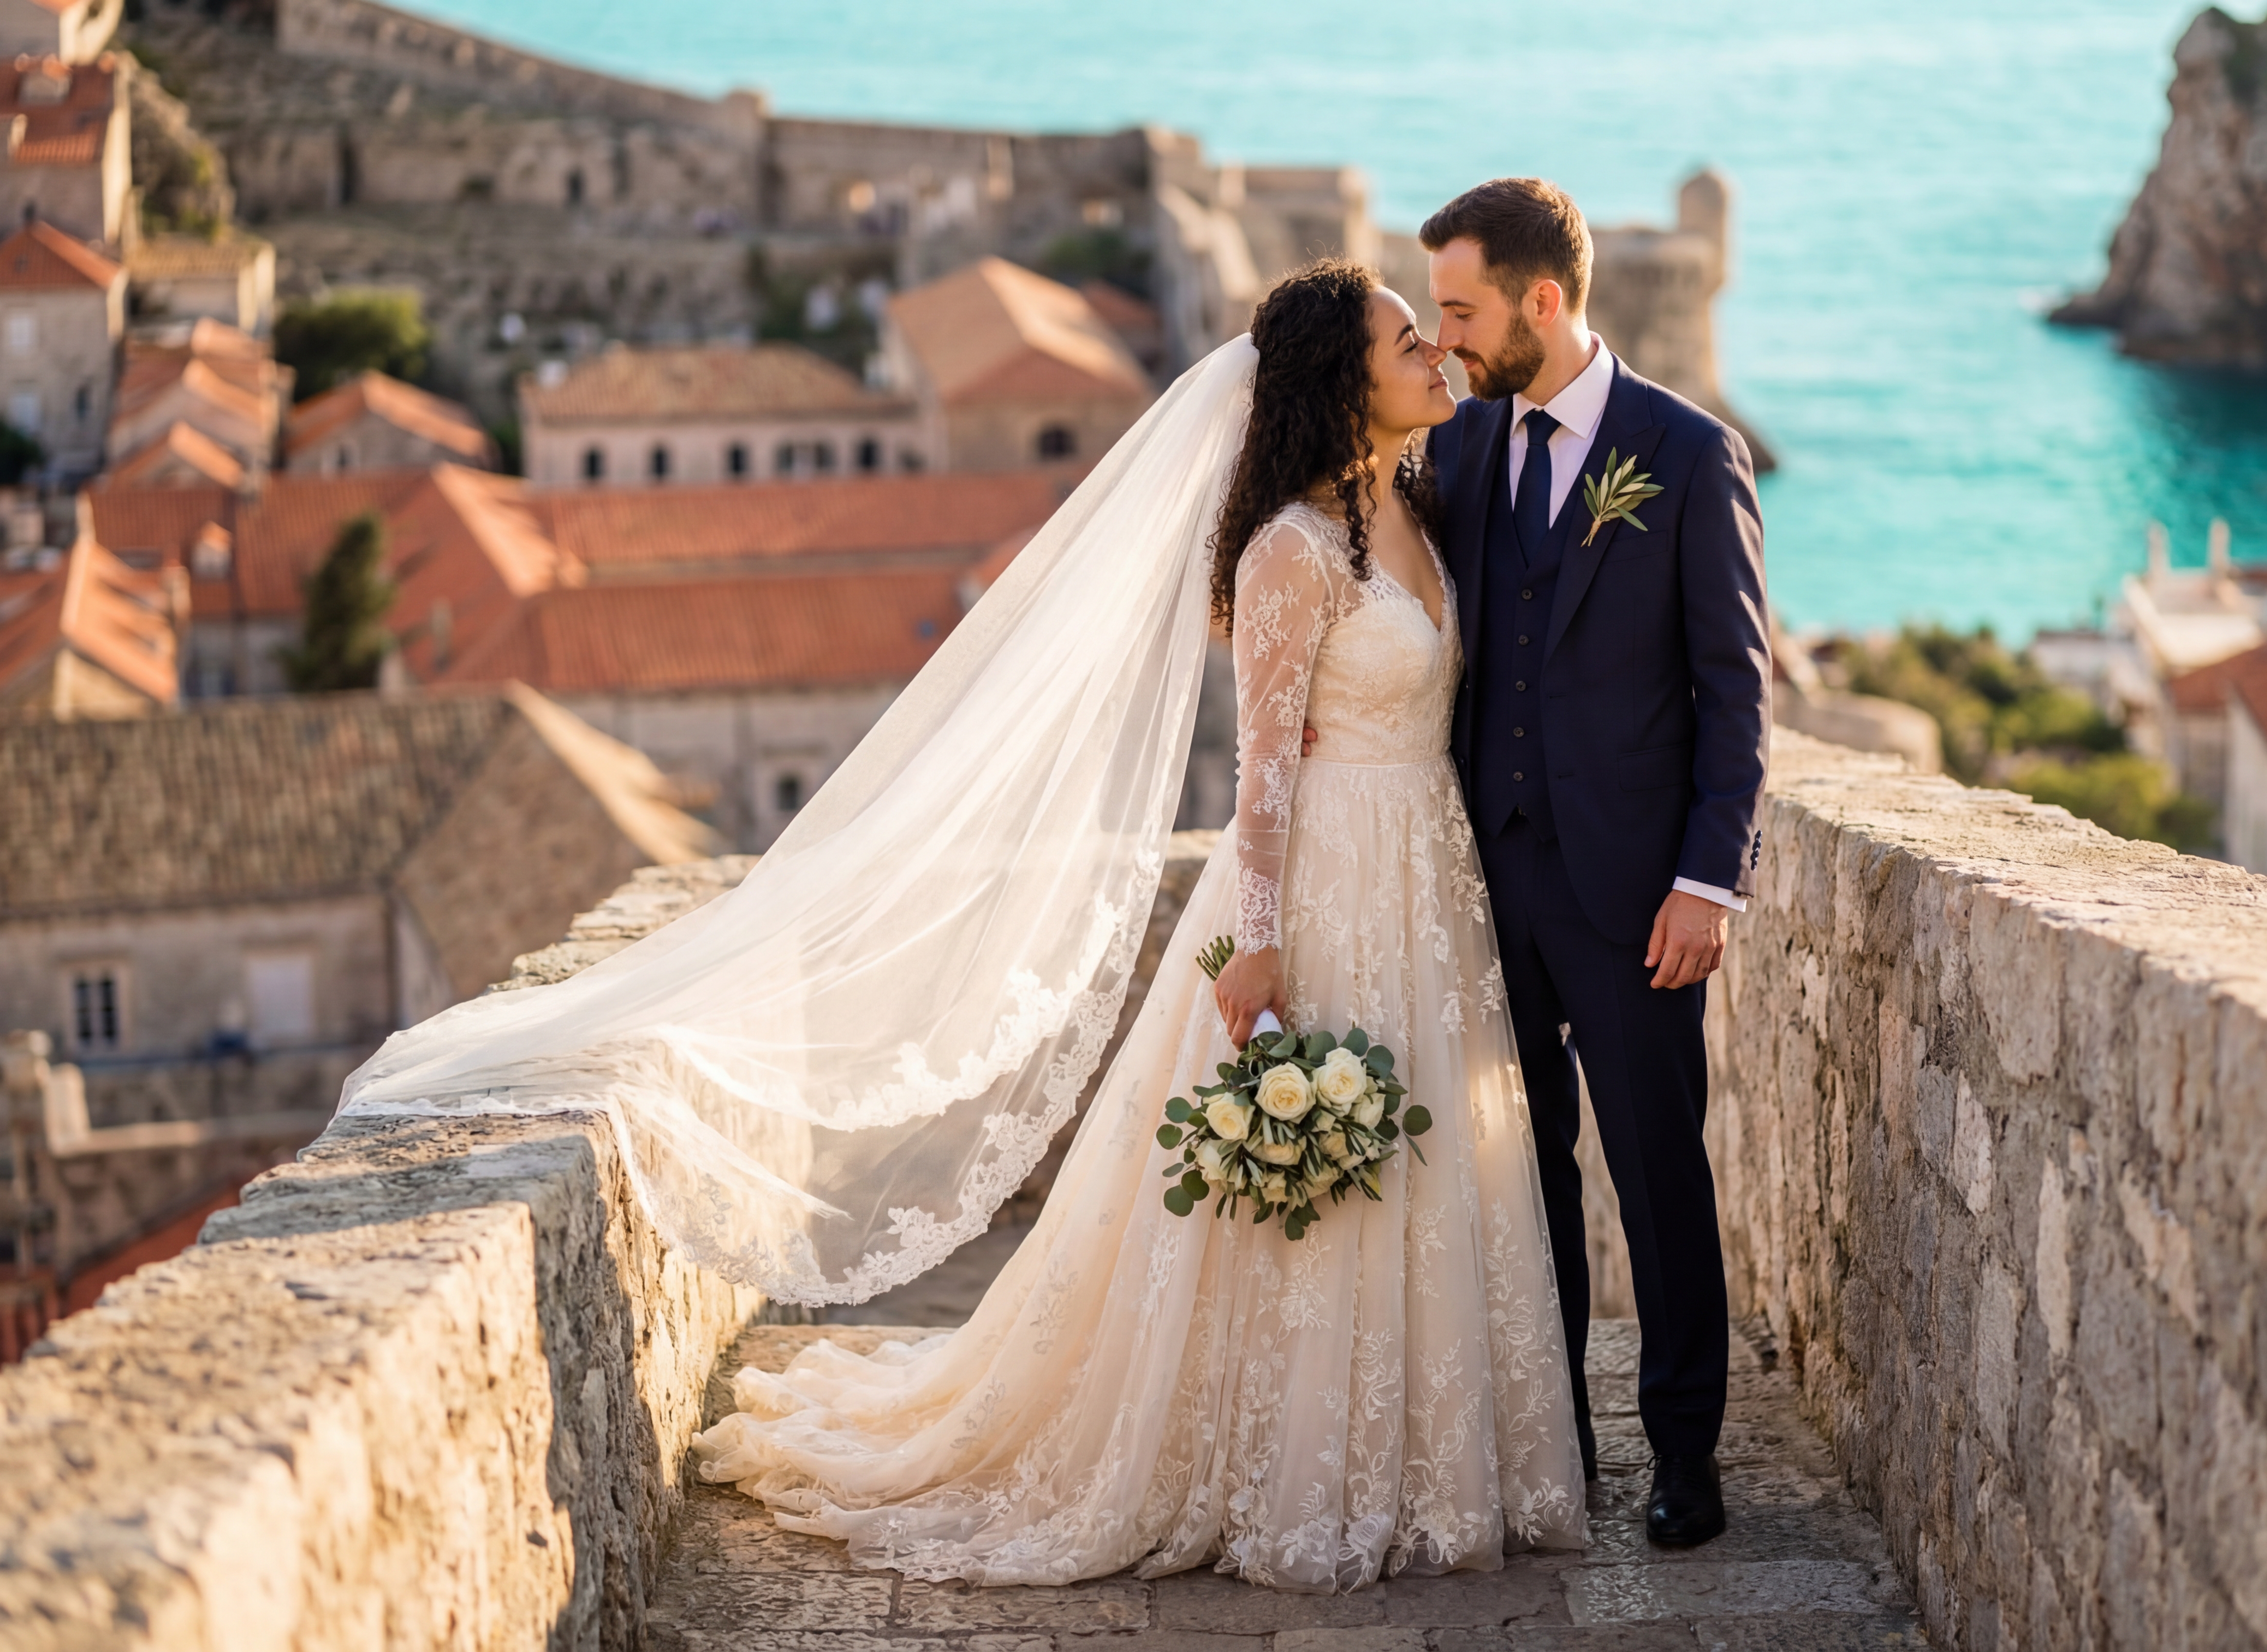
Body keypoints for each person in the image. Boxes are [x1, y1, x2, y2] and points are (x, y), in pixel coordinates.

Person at [342, 260, 1586, 1590]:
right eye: (1407, 341)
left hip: (1427, 882)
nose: (1433, 356)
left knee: (1421, 1153)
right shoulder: (1289, 547)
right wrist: (1264, 939)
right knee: (1316, 1162)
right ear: (1344, 382)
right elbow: (1265, 766)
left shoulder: (1416, 505)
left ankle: (1417, 1459)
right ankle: (1288, 1463)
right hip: (1330, 882)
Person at [1418, 178, 1772, 1547]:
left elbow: (1735, 690)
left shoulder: (1686, 453)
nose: (1445, 339)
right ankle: (1555, 1442)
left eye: (1462, 312)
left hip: (1635, 897)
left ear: (1543, 301)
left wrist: (1708, 881)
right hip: (1489, 880)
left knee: (1657, 1173)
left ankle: (1686, 1454)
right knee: (1528, 1177)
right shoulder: (1460, 445)